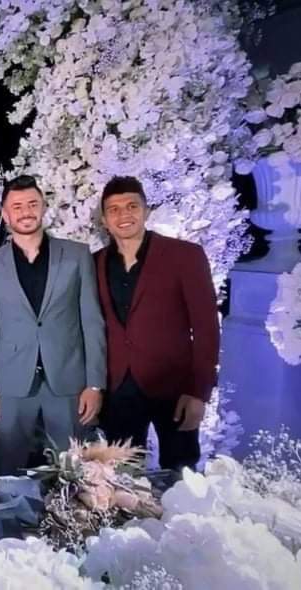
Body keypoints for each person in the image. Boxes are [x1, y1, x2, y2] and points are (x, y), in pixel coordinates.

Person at [0, 175, 106, 473]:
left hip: (68, 379)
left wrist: (94, 384)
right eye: (17, 206)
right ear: (5, 214)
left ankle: (71, 508)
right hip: (11, 381)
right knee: (9, 471)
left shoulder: (77, 255)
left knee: (73, 470)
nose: (26, 212)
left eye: (32, 204)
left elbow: (91, 320)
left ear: (44, 207)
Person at [94, 176, 219, 471]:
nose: (124, 215)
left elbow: (206, 328)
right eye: (114, 209)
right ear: (104, 219)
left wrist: (199, 392)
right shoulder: (93, 263)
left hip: (175, 388)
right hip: (118, 390)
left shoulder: (185, 255)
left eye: (132, 206)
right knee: (121, 477)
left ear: (146, 211)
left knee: (181, 475)